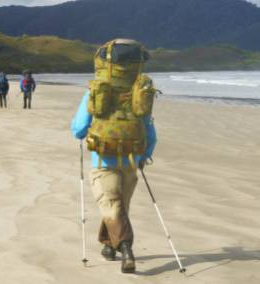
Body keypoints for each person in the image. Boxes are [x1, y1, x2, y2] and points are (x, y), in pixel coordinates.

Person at [70, 38, 157, 274]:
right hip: (131, 159)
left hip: (103, 160)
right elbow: (150, 130)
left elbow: (78, 129)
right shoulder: (141, 90)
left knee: (111, 206)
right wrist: (144, 155)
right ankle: (109, 246)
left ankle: (126, 249)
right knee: (119, 206)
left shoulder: (97, 90)